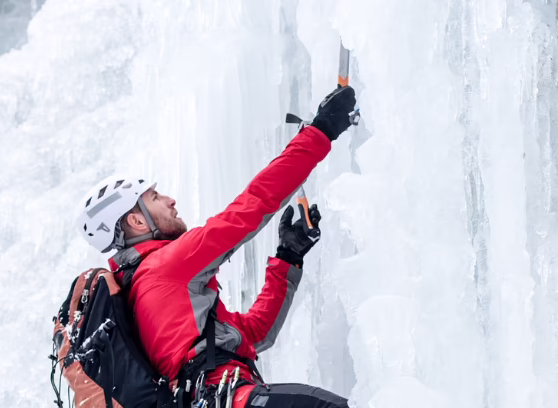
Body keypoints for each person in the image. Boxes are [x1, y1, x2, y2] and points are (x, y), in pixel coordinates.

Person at [74, 86, 357, 408]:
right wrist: (321, 132)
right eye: (155, 198)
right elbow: (250, 207)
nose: (170, 200)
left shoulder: (147, 293)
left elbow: (254, 333)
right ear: (138, 223)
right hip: (231, 399)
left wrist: (287, 258)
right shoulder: (165, 266)